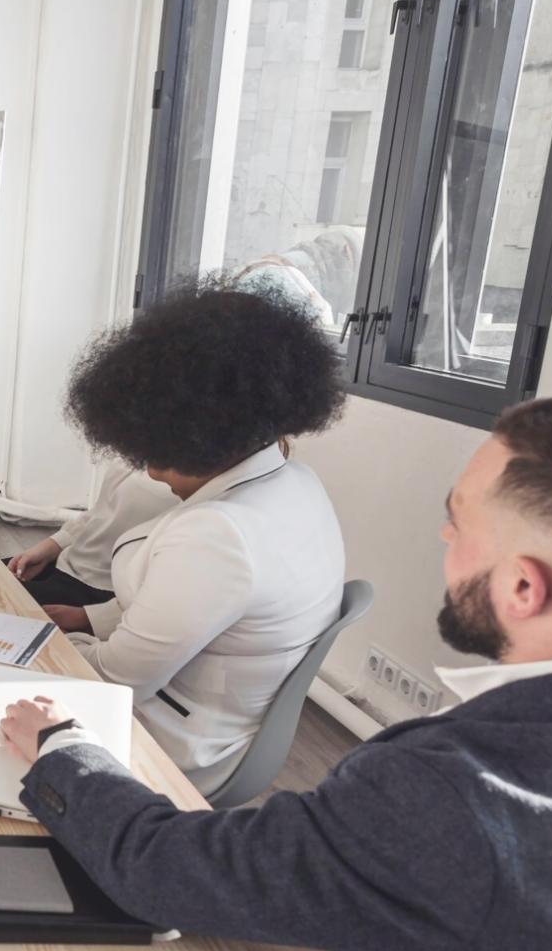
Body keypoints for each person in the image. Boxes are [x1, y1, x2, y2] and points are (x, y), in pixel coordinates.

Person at [0, 394, 552, 951]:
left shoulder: (450, 795)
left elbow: (165, 871)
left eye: (458, 520)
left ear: (523, 587)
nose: (444, 536)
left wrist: (63, 748)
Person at [49, 282, 347, 793]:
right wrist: (86, 619)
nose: (150, 471)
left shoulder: (218, 537)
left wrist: (42, 643)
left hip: (166, 742)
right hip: (211, 716)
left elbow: (115, 682)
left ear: (195, 437)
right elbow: (197, 611)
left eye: (155, 455)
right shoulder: (295, 482)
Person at [8, 462, 177, 607]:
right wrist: (51, 546)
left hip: (102, 591)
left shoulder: (183, 485)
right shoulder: (140, 452)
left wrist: (91, 618)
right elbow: (100, 512)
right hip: (68, 563)